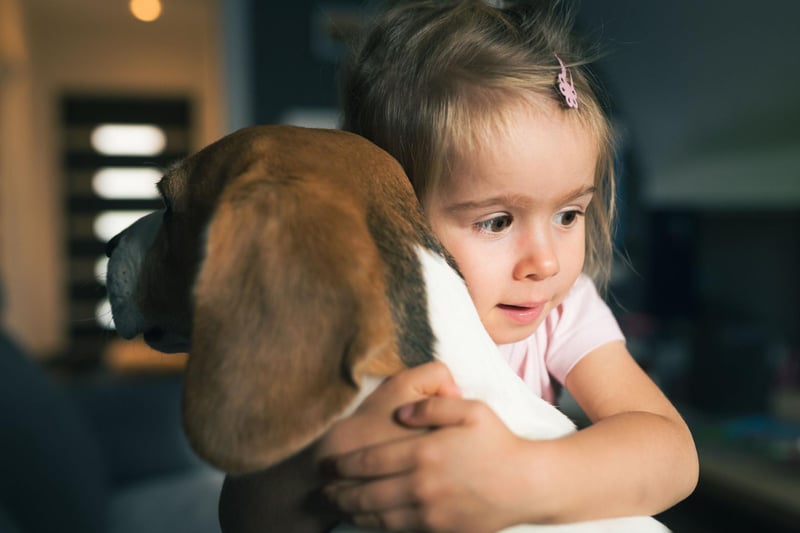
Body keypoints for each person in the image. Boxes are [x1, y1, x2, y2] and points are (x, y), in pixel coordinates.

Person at [315, 1, 699, 531]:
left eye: (569, 214)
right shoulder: (350, 320)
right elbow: (247, 515)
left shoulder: (564, 311)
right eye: (496, 222)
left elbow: (674, 455)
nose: (544, 262)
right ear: (393, 215)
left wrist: (521, 478)